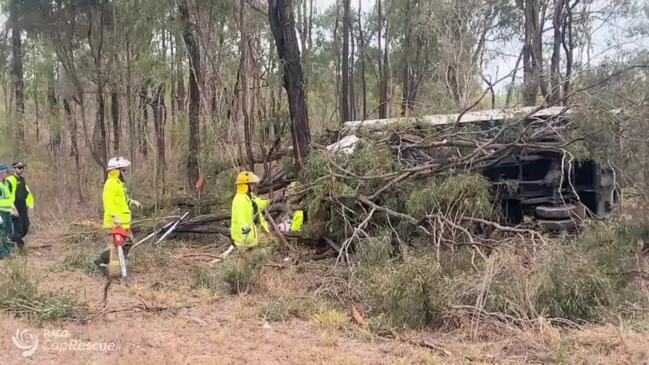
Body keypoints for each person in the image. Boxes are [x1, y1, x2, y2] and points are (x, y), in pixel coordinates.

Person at [94, 157, 141, 275]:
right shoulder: (111, 183)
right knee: (118, 246)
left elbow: (122, 199)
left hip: (123, 221)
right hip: (116, 221)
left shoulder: (117, 183)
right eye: (123, 170)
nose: (125, 172)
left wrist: (132, 201)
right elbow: (108, 202)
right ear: (117, 170)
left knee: (128, 241)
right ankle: (117, 272)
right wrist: (115, 216)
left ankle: (101, 260)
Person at [230, 171, 270, 248]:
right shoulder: (240, 199)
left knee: (267, 242)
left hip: (252, 233)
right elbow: (240, 216)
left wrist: (269, 202)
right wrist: (245, 227)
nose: (253, 186)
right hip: (244, 237)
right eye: (251, 184)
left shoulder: (248, 196)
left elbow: (257, 203)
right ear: (245, 185)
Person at [6, 162, 35, 250]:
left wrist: (30, 204)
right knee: (18, 227)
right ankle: (21, 249)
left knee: (26, 226)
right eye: (19, 167)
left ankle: (12, 239)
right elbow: (7, 195)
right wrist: (12, 208)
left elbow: (26, 193)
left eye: (22, 167)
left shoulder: (22, 179)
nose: (21, 169)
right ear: (14, 169)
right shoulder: (9, 180)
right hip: (15, 207)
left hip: (23, 206)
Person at [0, 164, 17, 259]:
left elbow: (9, 199)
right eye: (5, 172)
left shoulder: (5, 183)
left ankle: (7, 252)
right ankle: (2, 254)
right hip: (1, 212)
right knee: (2, 233)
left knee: (8, 232)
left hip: (6, 212)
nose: (7, 174)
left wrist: (13, 209)